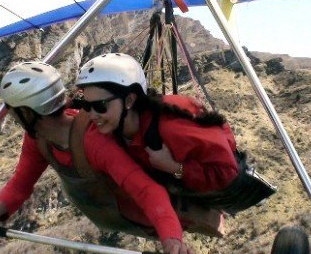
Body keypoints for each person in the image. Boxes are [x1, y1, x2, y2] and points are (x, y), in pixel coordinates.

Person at [0, 61, 203, 254]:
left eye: (11, 111)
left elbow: (147, 190)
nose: (10, 117)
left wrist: (172, 241)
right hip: (106, 217)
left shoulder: (94, 142)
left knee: (203, 219)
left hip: (139, 216)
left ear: (26, 112)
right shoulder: (37, 139)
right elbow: (21, 183)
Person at [74, 53, 276, 216]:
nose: (91, 114)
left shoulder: (172, 128)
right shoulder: (114, 124)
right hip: (183, 185)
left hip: (223, 182)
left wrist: (176, 168)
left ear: (129, 101)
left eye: (100, 106)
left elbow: (227, 173)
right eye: (86, 105)